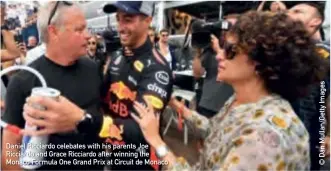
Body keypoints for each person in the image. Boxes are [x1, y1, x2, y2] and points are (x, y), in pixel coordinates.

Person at [130, 11, 328, 170]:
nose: (219, 55)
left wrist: (157, 143)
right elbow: (215, 131)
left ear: (260, 62)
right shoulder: (242, 101)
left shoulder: (264, 139)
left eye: (230, 49)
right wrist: (179, 108)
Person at [22, 1, 173, 171]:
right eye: (118, 19)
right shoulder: (116, 57)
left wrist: (82, 119)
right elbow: (100, 102)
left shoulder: (157, 69)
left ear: (148, 20)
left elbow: (143, 131)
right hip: (113, 159)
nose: (120, 27)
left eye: (128, 19)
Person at [2, 2, 104, 170]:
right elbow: (10, 153)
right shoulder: (23, 81)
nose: (88, 35)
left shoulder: (93, 68)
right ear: (54, 31)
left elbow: (103, 117)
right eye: (79, 30)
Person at [287, 2, 330, 170]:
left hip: (308, 137)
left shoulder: (324, 54)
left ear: (315, 22)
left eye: (298, 12)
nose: (290, 14)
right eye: (290, 10)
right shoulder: (275, 50)